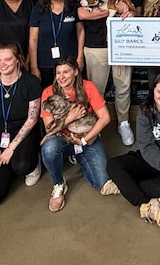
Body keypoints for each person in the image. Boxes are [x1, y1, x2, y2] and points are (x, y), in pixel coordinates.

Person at [78, 0, 144, 147]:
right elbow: (82, 13)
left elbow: (139, 9)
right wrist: (113, 10)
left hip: (123, 43)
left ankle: (123, 122)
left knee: (123, 86)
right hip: (96, 44)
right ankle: (94, 125)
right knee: (96, 88)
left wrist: (132, 13)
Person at [106, 73, 160, 226]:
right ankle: (146, 203)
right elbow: (146, 145)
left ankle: (124, 185)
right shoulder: (144, 111)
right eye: (159, 92)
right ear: (153, 91)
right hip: (149, 157)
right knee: (113, 165)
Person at [40, 57, 113, 212]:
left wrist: (84, 140)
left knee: (101, 182)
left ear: (75, 72)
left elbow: (105, 117)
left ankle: (79, 154)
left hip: (87, 137)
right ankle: (59, 183)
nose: (61, 77)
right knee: (49, 148)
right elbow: (49, 129)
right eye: (58, 73)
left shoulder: (88, 86)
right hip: (62, 138)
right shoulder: (48, 92)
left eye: (65, 72)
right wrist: (69, 118)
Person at [0, 42, 42, 206]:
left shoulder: (31, 82)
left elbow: (32, 119)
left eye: (7, 59)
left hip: (23, 136)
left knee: (22, 166)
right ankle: (7, 167)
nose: (2, 64)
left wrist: (11, 149)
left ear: (18, 59)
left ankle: (33, 161)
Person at [29, 0, 84, 89]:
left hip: (70, 64)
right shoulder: (37, 9)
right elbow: (33, 40)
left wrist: (80, 58)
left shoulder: (74, 7)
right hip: (45, 64)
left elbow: (80, 32)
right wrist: (34, 67)